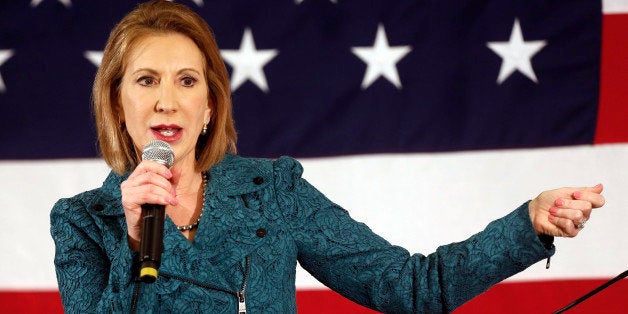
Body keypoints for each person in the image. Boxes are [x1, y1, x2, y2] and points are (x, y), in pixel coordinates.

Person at [50, 1, 605, 313]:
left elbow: (412, 288)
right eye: (146, 80)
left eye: (186, 80)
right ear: (117, 105)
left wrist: (527, 221)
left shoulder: (275, 192)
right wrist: (131, 240)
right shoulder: (81, 221)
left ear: (211, 105)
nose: (166, 100)